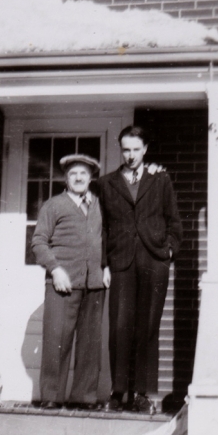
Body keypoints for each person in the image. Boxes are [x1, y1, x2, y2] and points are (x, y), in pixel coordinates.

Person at [98, 126, 183, 414]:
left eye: (136, 149)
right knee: (119, 327)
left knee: (148, 327)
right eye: (126, 149)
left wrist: (169, 250)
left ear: (145, 149)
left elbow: (174, 219)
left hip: (153, 260)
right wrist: (104, 264)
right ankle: (118, 391)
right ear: (119, 150)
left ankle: (142, 394)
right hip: (121, 262)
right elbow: (103, 228)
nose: (131, 155)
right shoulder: (107, 183)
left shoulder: (160, 179)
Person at [31, 154, 108, 410]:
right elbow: (38, 241)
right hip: (62, 284)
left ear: (91, 178)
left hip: (94, 283)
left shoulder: (99, 205)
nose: (78, 178)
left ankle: (84, 398)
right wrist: (55, 269)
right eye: (73, 173)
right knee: (57, 341)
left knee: (90, 344)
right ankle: (51, 396)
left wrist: (106, 267)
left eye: (83, 174)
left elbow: (108, 240)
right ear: (66, 178)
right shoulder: (53, 206)